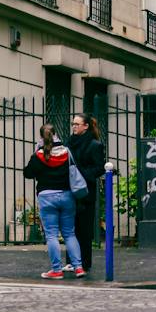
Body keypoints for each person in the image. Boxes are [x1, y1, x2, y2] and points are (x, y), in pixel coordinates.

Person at [24, 123, 84, 279]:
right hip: (67, 196)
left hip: (46, 197)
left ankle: (56, 270)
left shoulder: (39, 155)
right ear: (56, 134)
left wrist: (37, 151)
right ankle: (78, 267)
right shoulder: (67, 152)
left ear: (41, 137)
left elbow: (28, 173)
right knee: (70, 233)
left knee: (51, 235)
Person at [68, 114, 107, 268]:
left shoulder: (95, 145)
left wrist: (80, 173)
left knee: (84, 230)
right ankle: (72, 262)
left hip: (85, 192)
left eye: (77, 124)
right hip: (70, 191)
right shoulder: (70, 143)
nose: (74, 126)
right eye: (73, 124)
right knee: (70, 229)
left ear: (86, 126)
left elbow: (99, 168)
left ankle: (84, 262)